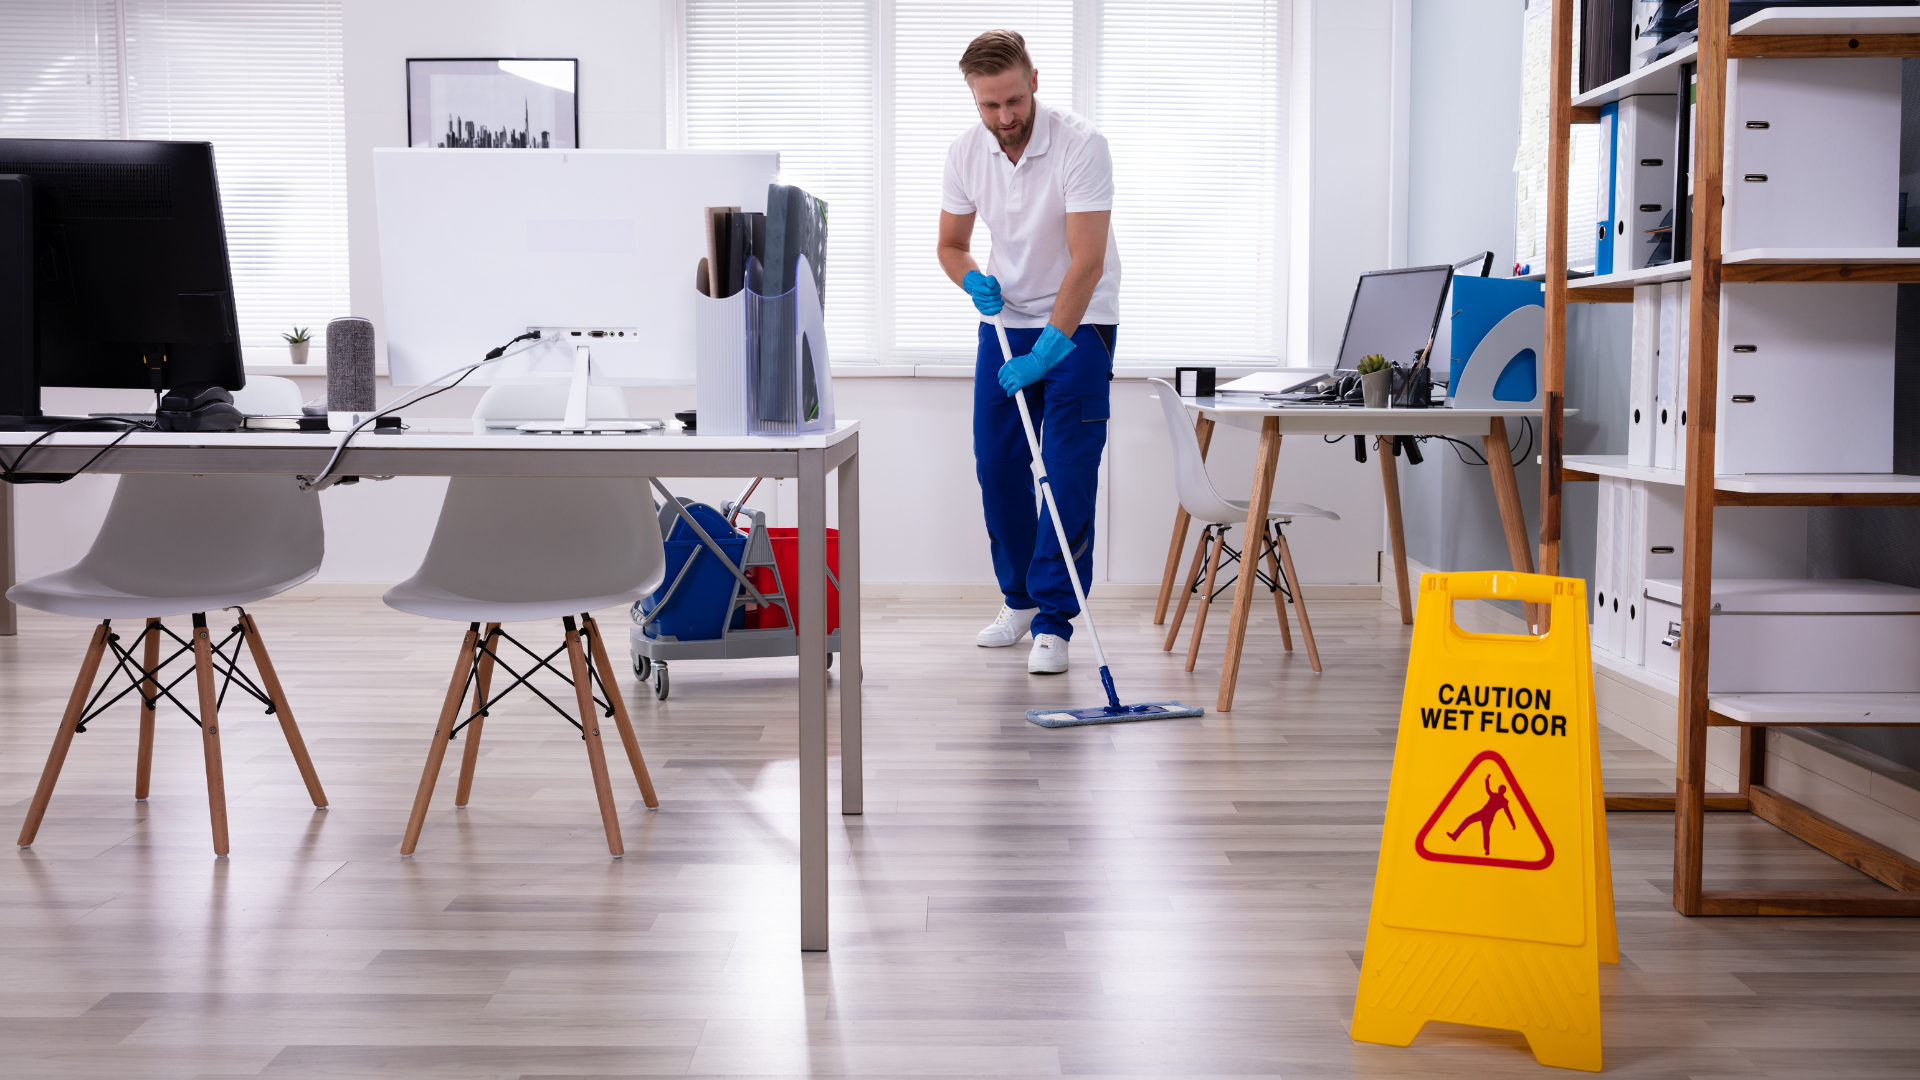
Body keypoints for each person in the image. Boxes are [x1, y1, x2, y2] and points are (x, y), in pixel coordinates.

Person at [937, 29, 1122, 674]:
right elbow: (951, 247)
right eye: (989, 106)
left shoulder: (1080, 144)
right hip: (1004, 323)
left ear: (1034, 81)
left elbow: (1088, 261)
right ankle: (1017, 599)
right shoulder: (966, 152)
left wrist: (1050, 349)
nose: (1004, 118)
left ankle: (1054, 621)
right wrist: (971, 280)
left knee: (1067, 470)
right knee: (999, 464)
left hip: (1081, 323)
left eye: (1013, 101)